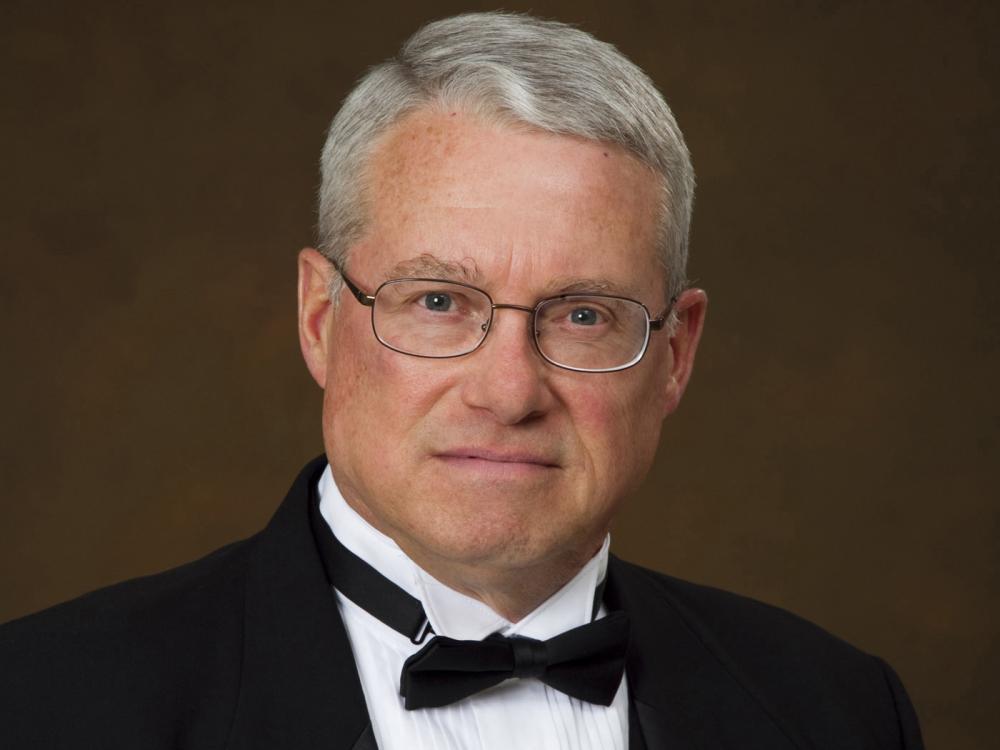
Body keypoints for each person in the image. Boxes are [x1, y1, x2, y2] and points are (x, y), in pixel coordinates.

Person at [0, 11, 923, 749]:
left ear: (675, 353)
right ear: (321, 319)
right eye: (438, 301)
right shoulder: (44, 706)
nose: (508, 392)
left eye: (583, 313)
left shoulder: (838, 713)